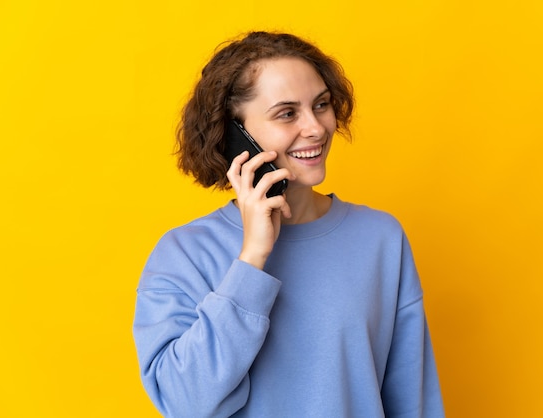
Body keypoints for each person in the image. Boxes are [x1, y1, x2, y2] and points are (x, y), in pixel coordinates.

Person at [133, 31, 445, 418]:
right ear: (235, 134)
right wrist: (252, 260)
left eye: (321, 105)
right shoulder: (185, 253)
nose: (315, 128)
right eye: (287, 113)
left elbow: (412, 400)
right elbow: (186, 404)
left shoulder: (381, 238)